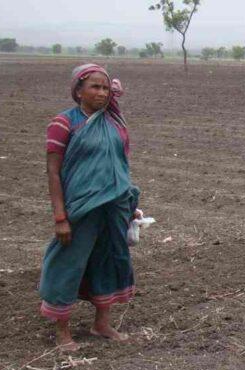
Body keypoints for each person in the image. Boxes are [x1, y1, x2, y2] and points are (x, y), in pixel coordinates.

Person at [40, 63, 141, 351]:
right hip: (81, 209)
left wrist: (129, 205)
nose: (102, 93)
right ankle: (62, 331)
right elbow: (53, 172)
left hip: (113, 206)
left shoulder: (113, 123)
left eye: (106, 88)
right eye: (95, 87)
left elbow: (119, 165)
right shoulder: (64, 123)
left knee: (109, 259)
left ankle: (102, 324)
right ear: (78, 91)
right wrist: (60, 217)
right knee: (69, 263)